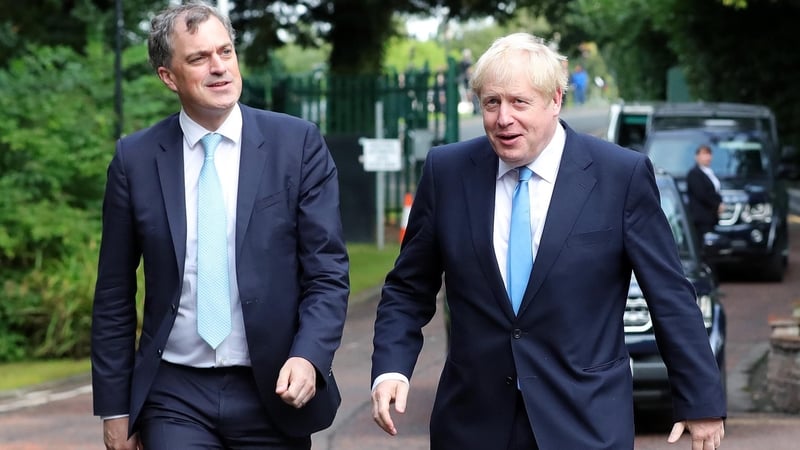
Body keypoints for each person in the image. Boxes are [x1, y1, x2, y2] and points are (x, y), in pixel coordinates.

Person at [370, 33, 725, 449]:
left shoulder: (619, 176)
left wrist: (700, 398)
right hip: (473, 425)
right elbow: (408, 288)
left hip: (585, 423)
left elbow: (669, 294)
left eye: (519, 102)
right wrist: (391, 368)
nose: (503, 118)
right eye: (491, 103)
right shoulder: (447, 172)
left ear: (555, 100)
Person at [90, 2, 349, 449]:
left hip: (273, 388)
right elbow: (113, 295)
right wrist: (115, 410)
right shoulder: (135, 160)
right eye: (198, 58)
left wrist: (309, 356)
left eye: (225, 52)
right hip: (174, 393)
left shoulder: (297, 145)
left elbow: (327, 271)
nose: (218, 68)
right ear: (168, 76)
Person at [687, 144, 724, 239]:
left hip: (712, 217)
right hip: (701, 218)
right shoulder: (694, 173)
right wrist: (717, 204)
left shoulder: (709, 172)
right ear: (697, 157)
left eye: (709, 154)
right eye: (704, 154)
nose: (707, 157)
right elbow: (702, 194)